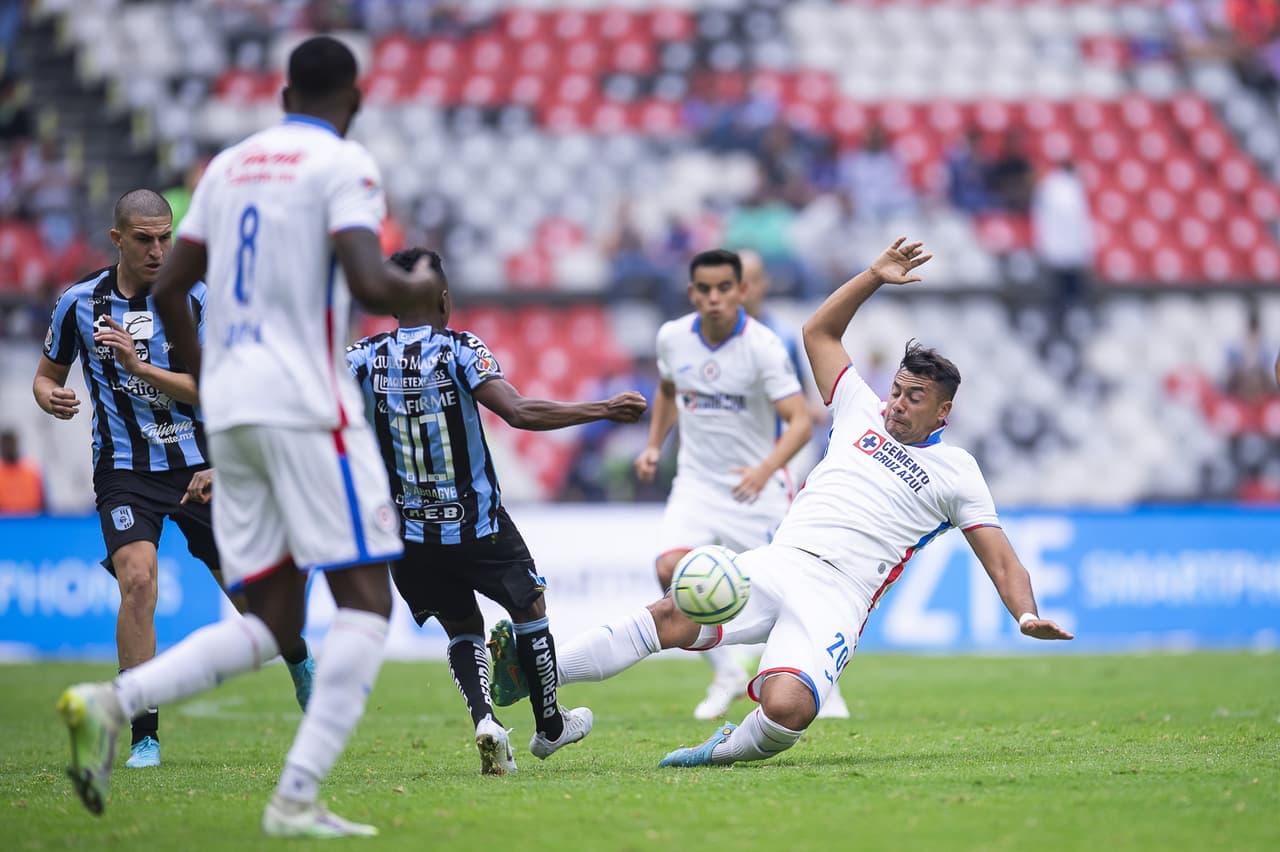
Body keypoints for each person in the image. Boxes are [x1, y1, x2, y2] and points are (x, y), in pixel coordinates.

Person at [491, 237, 1074, 767]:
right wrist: (872, 275)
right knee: (669, 613)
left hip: (839, 595)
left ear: (942, 412)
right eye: (896, 389)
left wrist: (1024, 614)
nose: (896, 403)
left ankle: (716, 754)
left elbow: (1000, 558)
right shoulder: (857, 408)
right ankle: (537, 673)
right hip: (781, 559)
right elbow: (819, 333)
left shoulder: (958, 472)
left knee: (788, 707)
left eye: (914, 398)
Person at [56, 36, 439, 837]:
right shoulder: (346, 165)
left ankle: (111, 701)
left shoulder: (227, 169)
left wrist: (215, 384)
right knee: (367, 603)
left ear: (282, 95)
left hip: (232, 416)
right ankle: (296, 796)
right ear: (355, 99)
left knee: (274, 619)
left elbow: (168, 287)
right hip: (308, 406)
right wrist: (418, 285)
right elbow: (372, 283)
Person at [35, 189, 313, 770]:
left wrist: (139, 367)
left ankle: (296, 655)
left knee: (254, 604)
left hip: (200, 463)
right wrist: (52, 397)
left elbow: (215, 389)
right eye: (145, 239)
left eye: (167, 237)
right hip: (124, 470)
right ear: (118, 240)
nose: (159, 249)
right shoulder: (78, 302)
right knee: (137, 581)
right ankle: (143, 735)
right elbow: (46, 375)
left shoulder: (198, 299)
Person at [346, 247, 647, 776]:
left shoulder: (363, 357)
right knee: (529, 606)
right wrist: (602, 408)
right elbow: (519, 411)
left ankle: (485, 721)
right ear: (445, 300)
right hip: (477, 523)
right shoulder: (462, 349)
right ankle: (550, 725)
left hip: (409, 534)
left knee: (462, 627)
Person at [632, 249, 814, 722]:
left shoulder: (765, 346)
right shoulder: (673, 338)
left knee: (790, 597)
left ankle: (811, 680)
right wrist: (655, 444)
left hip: (757, 490)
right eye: (704, 290)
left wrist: (764, 469)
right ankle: (728, 670)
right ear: (692, 293)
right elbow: (669, 389)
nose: (714, 298)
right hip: (696, 484)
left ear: (742, 291)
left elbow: (799, 422)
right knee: (672, 570)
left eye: (724, 289)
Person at [0, 429, 43, 513]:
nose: (9, 448)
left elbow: (43, 503)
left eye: (11, 444)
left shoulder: (31, 472)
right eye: (6, 445)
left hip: (30, 521)